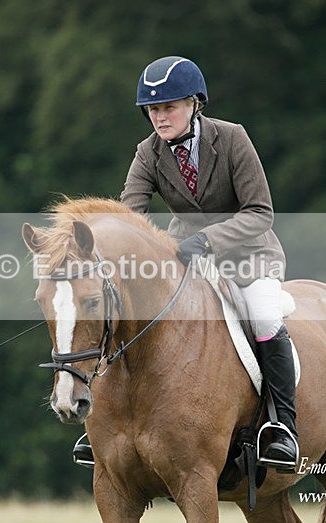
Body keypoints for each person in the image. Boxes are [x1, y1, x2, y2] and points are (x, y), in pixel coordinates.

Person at [73, 56, 299, 470]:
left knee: (265, 317)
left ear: (195, 104)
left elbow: (259, 212)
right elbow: (129, 216)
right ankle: (104, 427)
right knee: (126, 314)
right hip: (183, 255)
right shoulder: (147, 153)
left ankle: (283, 427)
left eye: (169, 107)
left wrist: (208, 240)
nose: (160, 118)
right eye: (153, 110)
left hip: (248, 254)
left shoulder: (232, 138)